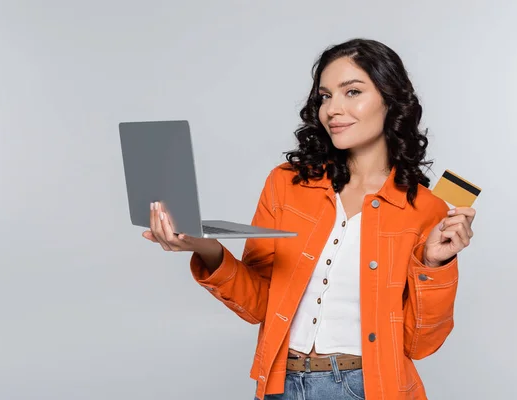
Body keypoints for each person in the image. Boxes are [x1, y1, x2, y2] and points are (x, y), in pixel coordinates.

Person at [142, 38, 476, 400]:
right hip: (280, 385)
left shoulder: (427, 208)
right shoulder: (286, 183)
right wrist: (207, 248)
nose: (333, 109)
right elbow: (258, 306)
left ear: (390, 100)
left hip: (366, 388)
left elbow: (420, 343)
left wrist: (434, 264)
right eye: (325, 96)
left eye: (352, 92)